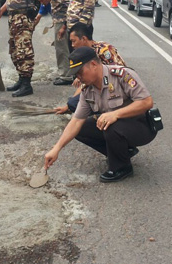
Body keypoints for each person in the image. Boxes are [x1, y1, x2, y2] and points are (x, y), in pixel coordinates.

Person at [44, 47, 157, 183]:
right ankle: (123, 152)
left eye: (80, 72)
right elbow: (76, 121)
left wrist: (115, 114)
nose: (78, 77)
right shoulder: (87, 89)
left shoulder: (121, 75)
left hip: (142, 126)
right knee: (82, 129)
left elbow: (146, 102)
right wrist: (56, 149)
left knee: (110, 124)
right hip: (119, 128)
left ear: (93, 65)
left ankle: (122, 167)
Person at [54, 22, 126, 114]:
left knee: (78, 104)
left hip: (115, 89)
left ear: (83, 39)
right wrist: (67, 106)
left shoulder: (104, 50)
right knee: (73, 102)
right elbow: (85, 86)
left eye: (74, 41)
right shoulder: (85, 55)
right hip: (100, 87)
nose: (72, 45)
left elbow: (117, 77)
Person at [36, 0, 73, 86]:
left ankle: (66, 76)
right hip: (63, 18)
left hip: (62, 19)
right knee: (65, 47)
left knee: (61, 48)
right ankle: (69, 73)